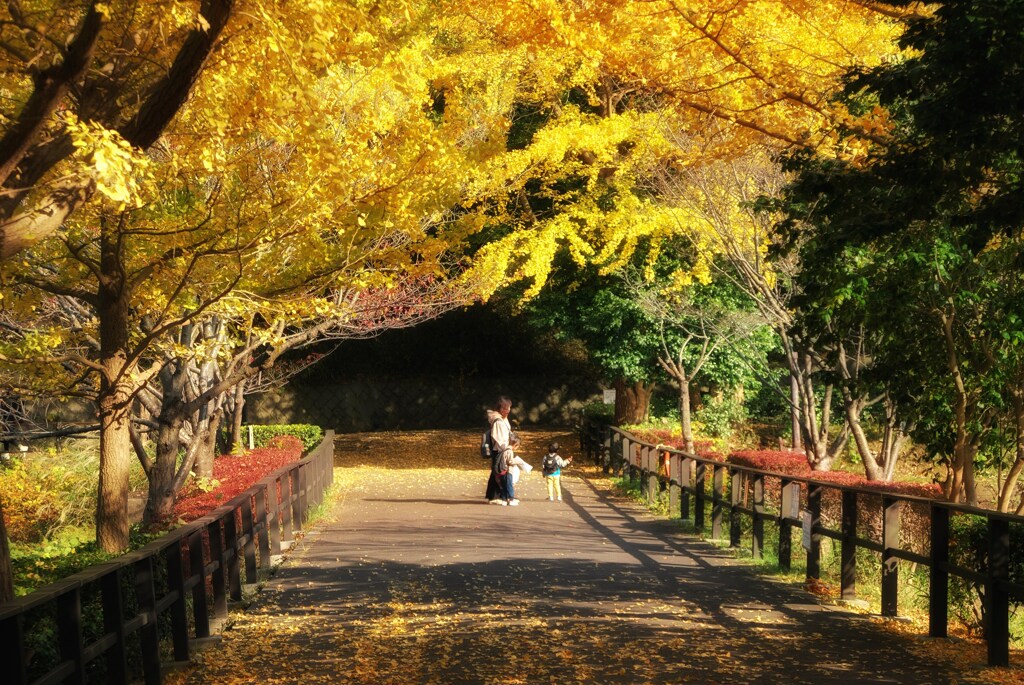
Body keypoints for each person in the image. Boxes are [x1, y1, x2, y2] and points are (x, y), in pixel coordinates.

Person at [485, 396, 513, 504]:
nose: (509, 410)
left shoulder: (502, 419)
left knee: (497, 471)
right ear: (501, 409)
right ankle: (496, 496)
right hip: (500, 449)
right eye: (507, 408)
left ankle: (495, 495)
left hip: (502, 449)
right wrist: (506, 448)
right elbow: (498, 437)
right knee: (499, 471)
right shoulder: (498, 420)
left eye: (509, 407)